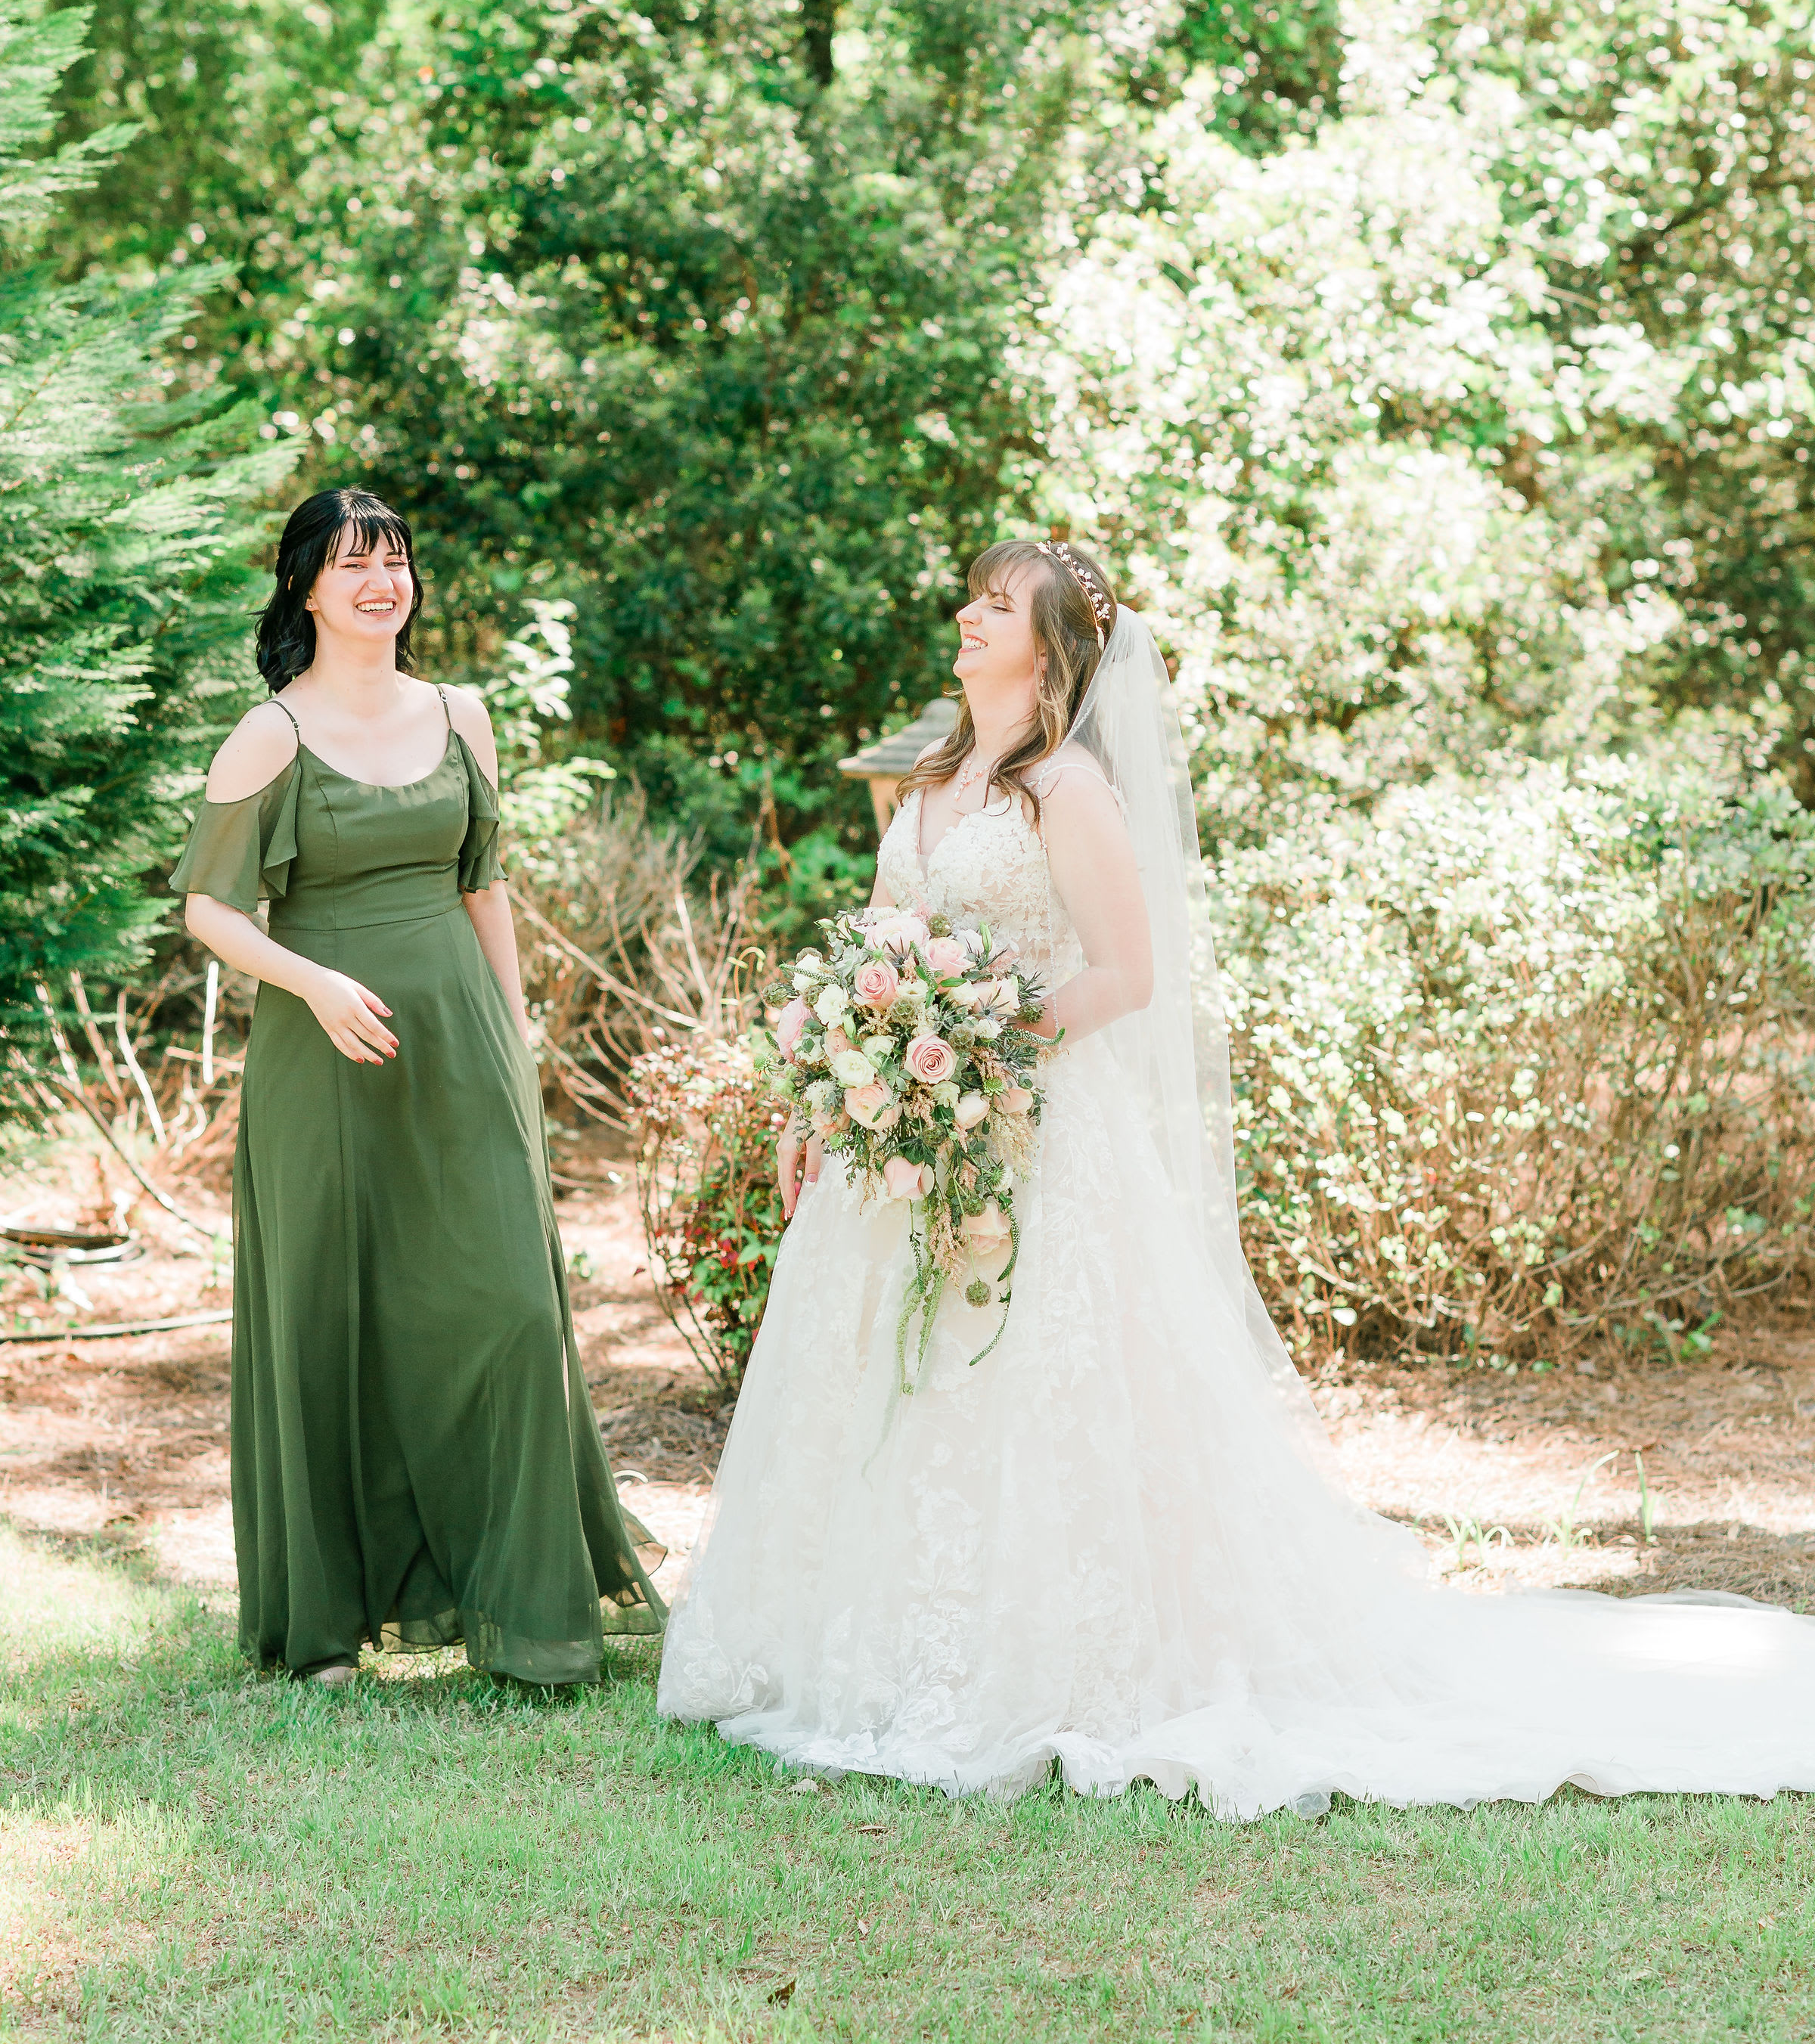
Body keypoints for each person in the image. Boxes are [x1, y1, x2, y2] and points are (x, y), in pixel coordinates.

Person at [659, 541, 1815, 1813]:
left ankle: (1040, 1661)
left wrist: (982, 1053)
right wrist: (829, 1094)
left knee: (1026, 1381)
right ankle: (867, 1656)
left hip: (1031, 1130)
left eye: (997, 606)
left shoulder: (1067, 789)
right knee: (891, 1376)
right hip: (905, 1140)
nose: (968, 617)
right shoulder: (936, 779)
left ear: (1049, 650)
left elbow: (1125, 974)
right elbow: (886, 946)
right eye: (974, 599)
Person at [174, 488, 662, 1688]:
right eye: (352, 563)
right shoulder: (270, 735)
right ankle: (326, 1629)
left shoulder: (462, 715)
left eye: (393, 560)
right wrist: (313, 985)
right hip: (323, 1064)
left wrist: (515, 1036)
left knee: (514, 1312)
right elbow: (209, 910)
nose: (379, 582)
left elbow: (484, 886)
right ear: (306, 586)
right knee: (330, 1323)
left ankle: (525, 1612)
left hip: (460, 1042)